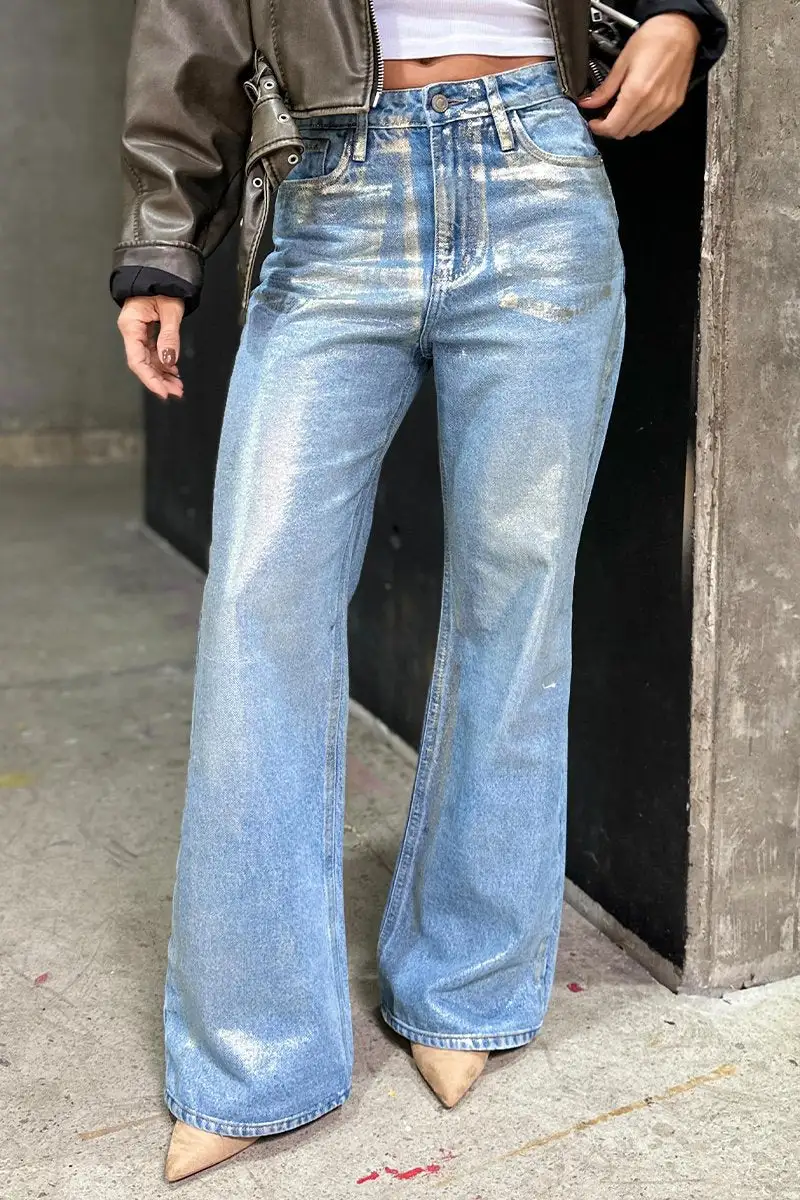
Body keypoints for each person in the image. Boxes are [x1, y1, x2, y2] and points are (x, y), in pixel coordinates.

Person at [112, 0, 728, 1183]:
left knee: (515, 602)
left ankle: (465, 984)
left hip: (536, 175)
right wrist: (161, 237)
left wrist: (679, 12)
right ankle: (254, 1052)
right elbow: (188, 22)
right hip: (332, 188)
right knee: (259, 607)